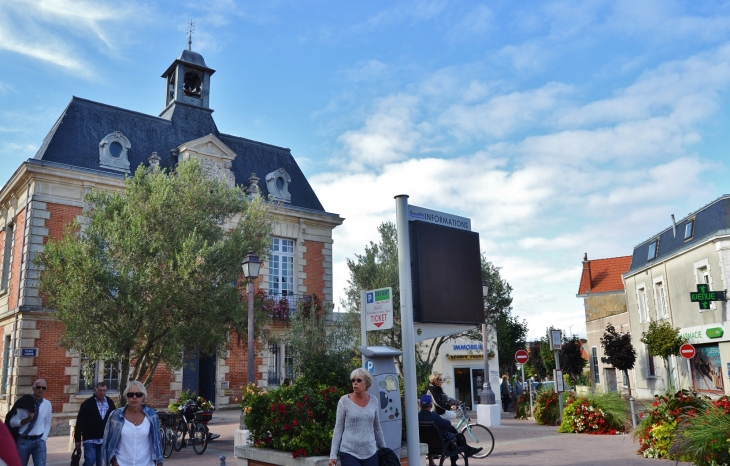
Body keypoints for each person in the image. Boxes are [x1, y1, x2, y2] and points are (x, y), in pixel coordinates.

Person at [329, 368, 386, 466]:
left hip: (371, 452)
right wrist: (333, 455)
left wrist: (384, 450)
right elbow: (338, 428)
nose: (355, 383)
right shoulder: (344, 401)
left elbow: (377, 428)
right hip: (349, 452)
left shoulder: (374, 401)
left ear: (367, 383)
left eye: (359, 380)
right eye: (353, 380)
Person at [101, 381, 163, 466]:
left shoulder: (152, 415)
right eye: (130, 394)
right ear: (126, 396)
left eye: (138, 394)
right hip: (121, 463)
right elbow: (108, 442)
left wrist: (158, 462)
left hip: (146, 463)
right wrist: (114, 462)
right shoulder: (115, 415)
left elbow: (156, 442)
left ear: (143, 396)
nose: (134, 397)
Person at [418, 395, 481, 465]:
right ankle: (464, 452)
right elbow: (447, 424)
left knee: (450, 433)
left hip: (424, 444)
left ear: (419, 405)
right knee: (451, 432)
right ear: (431, 405)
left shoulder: (417, 416)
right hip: (441, 447)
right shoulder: (434, 416)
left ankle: (467, 449)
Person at [9, 379, 52, 466]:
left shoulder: (47, 404)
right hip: (23, 440)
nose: (40, 389)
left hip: (39, 441)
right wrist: (27, 420)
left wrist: (43, 438)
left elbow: (47, 423)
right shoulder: (23, 402)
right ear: (33, 388)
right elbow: (12, 422)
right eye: (38, 387)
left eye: (43, 388)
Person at [75, 382, 117, 466]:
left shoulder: (110, 403)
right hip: (90, 439)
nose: (102, 393)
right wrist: (78, 439)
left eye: (104, 390)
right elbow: (79, 422)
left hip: (104, 439)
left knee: (101, 463)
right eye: (100, 390)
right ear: (95, 391)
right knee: (90, 461)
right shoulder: (87, 404)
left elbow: (115, 420)